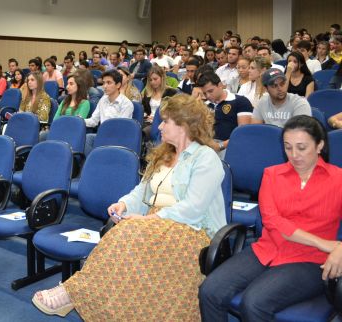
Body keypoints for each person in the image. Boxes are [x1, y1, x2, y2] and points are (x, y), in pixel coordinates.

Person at [33, 93, 226, 320]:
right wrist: (124, 204)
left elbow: (193, 208)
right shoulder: (164, 154)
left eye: (166, 121)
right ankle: (77, 293)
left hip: (193, 230)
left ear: (183, 125)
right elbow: (142, 191)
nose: (159, 126)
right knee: (124, 235)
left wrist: (148, 220)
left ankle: (72, 292)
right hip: (156, 224)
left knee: (127, 233)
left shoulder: (206, 158)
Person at [200, 115, 342, 321]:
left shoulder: (338, 180)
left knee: (254, 303)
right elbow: (273, 221)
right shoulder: (272, 175)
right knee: (210, 290)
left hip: (311, 260)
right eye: (288, 147)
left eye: (302, 148)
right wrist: (327, 244)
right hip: (268, 248)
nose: (294, 155)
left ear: (319, 145)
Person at [197, 72, 253, 156]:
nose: (208, 96)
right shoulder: (204, 105)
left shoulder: (240, 101)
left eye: (210, 91)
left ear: (220, 85)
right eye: (204, 93)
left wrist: (220, 146)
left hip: (232, 146)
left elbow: (243, 133)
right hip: (208, 145)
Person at [84, 70, 134, 155]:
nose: (105, 86)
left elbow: (121, 129)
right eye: (103, 83)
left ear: (118, 85)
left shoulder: (126, 104)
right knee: (88, 138)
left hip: (118, 138)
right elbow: (93, 121)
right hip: (103, 135)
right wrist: (80, 120)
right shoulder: (103, 100)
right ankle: (90, 161)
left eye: (109, 83)